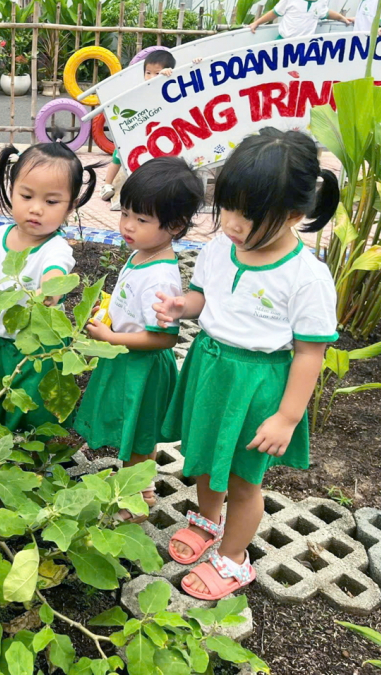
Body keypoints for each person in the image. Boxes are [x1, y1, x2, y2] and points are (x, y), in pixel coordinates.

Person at [153, 128, 339, 600]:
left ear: (295, 214)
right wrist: (181, 307)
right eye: (228, 206)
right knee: (203, 460)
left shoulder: (306, 276)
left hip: (258, 386)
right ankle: (207, 521)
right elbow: (202, 297)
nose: (232, 222)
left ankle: (234, 559)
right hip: (209, 367)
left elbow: (309, 353)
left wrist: (287, 417)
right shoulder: (221, 248)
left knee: (242, 478)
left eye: (249, 214)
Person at [76, 157, 203, 522]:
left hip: (143, 366)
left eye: (142, 220)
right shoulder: (141, 254)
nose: (128, 225)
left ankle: (139, 497)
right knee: (130, 429)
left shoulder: (162, 276)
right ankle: (136, 484)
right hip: (126, 357)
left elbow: (164, 339)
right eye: (126, 213)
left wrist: (112, 337)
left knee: (139, 436)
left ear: (175, 225)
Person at [0, 142, 96, 431]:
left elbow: (55, 276)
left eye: (51, 202)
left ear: (70, 207)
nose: (36, 209)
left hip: (38, 351)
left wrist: (49, 292)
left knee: (35, 411)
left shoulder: (55, 249)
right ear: (12, 191)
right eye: (26, 195)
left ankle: (36, 464)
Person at [100, 49, 178, 211]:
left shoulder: (169, 83)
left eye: (156, 73)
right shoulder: (142, 87)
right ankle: (107, 184)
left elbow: (183, 81)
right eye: (148, 72)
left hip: (159, 132)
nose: (150, 77)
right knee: (118, 154)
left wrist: (168, 76)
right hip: (138, 132)